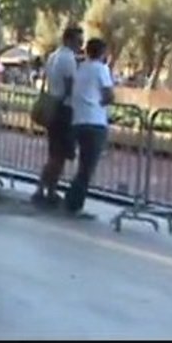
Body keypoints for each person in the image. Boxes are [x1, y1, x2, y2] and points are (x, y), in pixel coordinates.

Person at [33, 26, 83, 207]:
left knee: (54, 151)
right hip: (63, 108)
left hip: (52, 104)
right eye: (79, 41)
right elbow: (70, 86)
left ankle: (46, 189)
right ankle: (45, 189)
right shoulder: (69, 59)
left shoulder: (53, 56)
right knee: (59, 154)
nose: (81, 45)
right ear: (69, 40)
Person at [66, 38, 114, 216]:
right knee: (87, 167)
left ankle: (71, 198)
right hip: (95, 122)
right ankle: (74, 205)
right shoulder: (101, 69)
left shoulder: (80, 68)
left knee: (83, 165)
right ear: (102, 53)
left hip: (78, 119)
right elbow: (109, 95)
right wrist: (100, 103)